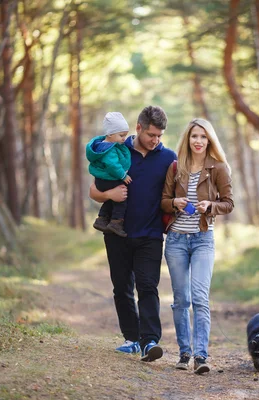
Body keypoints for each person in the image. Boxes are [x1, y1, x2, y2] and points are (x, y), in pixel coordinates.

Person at [89, 106, 176, 362]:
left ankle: (150, 342)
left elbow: (175, 193)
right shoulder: (117, 149)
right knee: (122, 288)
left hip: (150, 235)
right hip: (117, 233)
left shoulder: (167, 158)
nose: (155, 140)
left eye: (159, 135)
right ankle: (131, 338)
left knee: (148, 287)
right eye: (151, 134)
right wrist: (109, 195)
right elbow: (93, 191)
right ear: (138, 128)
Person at [160, 118, 234, 374]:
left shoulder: (219, 168)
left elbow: (228, 203)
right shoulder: (175, 167)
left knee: (200, 299)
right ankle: (184, 354)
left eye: (203, 137)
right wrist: (175, 203)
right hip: (177, 241)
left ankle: (201, 356)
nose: (199, 141)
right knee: (181, 300)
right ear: (188, 139)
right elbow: (163, 201)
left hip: (203, 240)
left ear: (209, 140)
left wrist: (211, 206)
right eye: (194, 136)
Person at [86, 112, 132, 237]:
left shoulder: (102, 146)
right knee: (121, 200)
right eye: (121, 135)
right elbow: (113, 165)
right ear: (110, 134)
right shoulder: (109, 149)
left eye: (125, 135)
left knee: (111, 200)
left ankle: (101, 219)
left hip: (101, 180)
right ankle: (116, 223)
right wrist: (123, 176)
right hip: (109, 179)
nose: (124, 138)